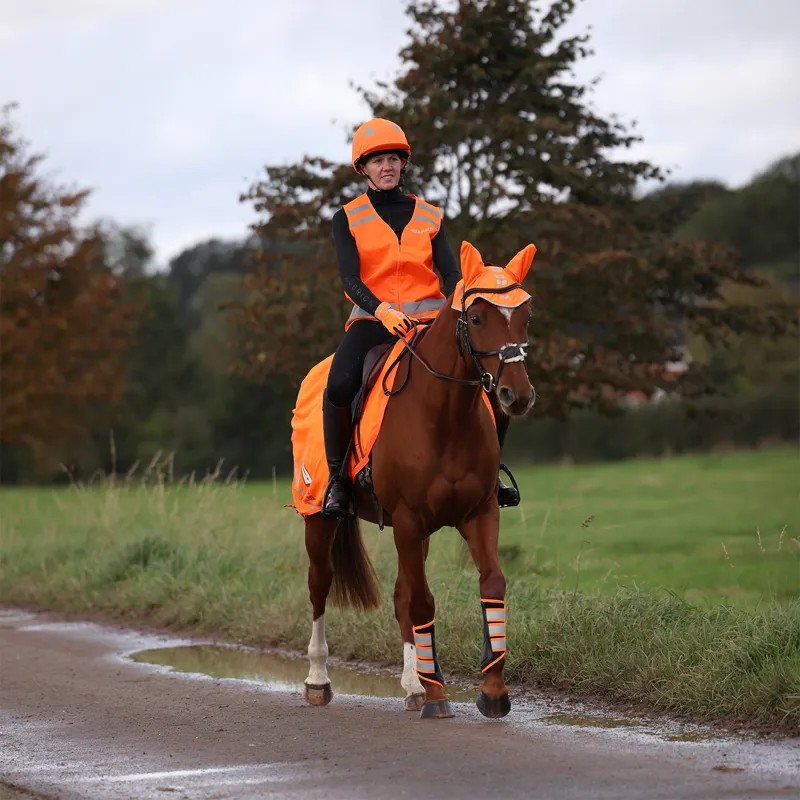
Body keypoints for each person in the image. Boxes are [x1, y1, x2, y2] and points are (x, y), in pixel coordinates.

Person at [322, 117, 520, 517]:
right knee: (339, 385)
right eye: (378, 161)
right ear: (363, 168)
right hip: (373, 321)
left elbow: (449, 273)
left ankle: (491, 470)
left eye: (394, 159)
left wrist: (462, 296)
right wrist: (381, 310)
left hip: (431, 320)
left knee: (489, 378)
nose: (387, 167)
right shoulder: (347, 218)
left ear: (403, 164)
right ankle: (337, 482)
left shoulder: (429, 215)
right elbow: (350, 278)